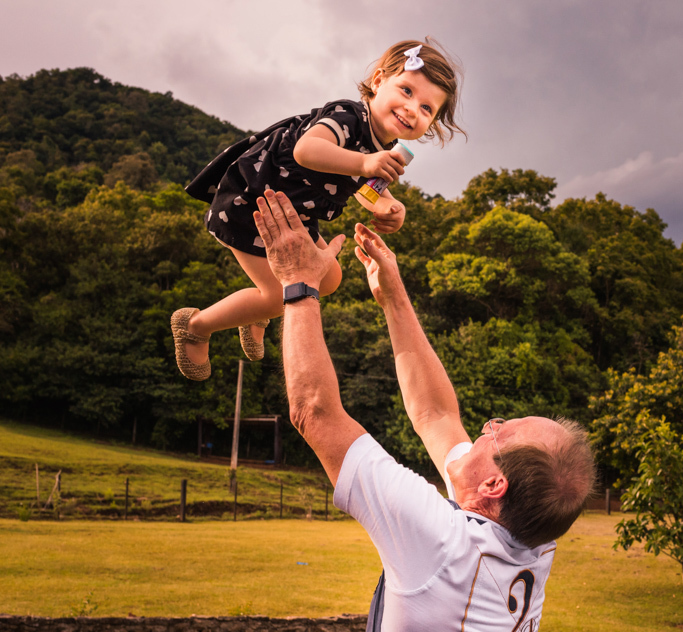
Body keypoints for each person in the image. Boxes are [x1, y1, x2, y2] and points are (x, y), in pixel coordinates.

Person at [251, 188, 596, 632]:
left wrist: (298, 286)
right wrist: (394, 297)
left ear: (494, 487)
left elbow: (313, 413)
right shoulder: (535, 539)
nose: (486, 428)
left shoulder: (441, 545)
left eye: (500, 434)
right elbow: (437, 415)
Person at [170, 38, 464, 380]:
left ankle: (253, 313)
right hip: (253, 203)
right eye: (407, 91)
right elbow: (306, 151)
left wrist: (389, 205)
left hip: (294, 216)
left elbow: (364, 191)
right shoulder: (347, 116)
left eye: (428, 108)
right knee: (281, 294)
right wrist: (366, 162)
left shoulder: (384, 148)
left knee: (329, 279)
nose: (413, 109)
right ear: (380, 80)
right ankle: (194, 325)